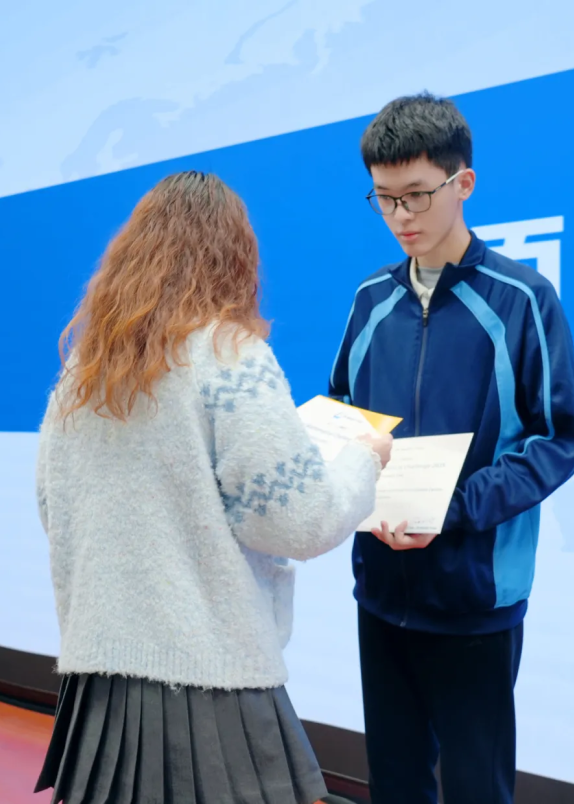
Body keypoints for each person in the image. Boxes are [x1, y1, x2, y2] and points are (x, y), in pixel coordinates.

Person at [34, 170, 392, 804]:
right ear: (236, 258)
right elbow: (300, 520)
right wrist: (364, 459)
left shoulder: (82, 372)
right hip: (209, 683)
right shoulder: (228, 354)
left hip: (99, 684)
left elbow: (52, 504)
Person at [329, 93, 574, 804]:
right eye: (384, 199)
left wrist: (452, 507)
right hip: (380, 589)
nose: (400, 217)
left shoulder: (522, 298)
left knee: (477, 789)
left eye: (416, 195)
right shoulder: (369, 300)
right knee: (396, 784)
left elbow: (559, 439)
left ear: (462, 182)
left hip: (476, 595)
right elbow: (345, 413)